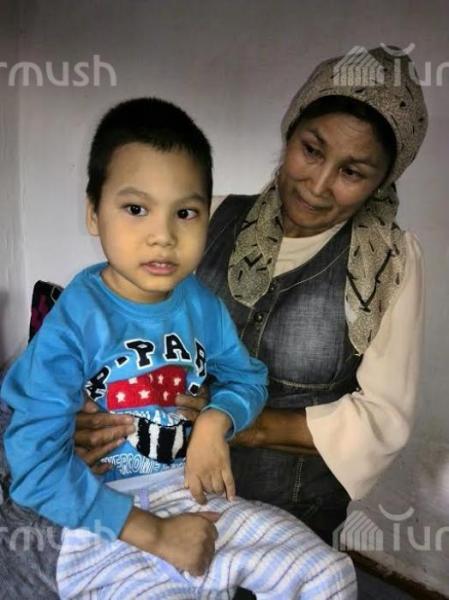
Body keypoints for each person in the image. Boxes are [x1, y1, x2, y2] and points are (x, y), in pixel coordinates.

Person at [0, 98, 356, 599]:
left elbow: (247, 377)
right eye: (136, 209)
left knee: (328, 574)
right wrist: (156, 533)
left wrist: (217, 419)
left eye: (185, 212)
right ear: (93, 213)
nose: (163, 236)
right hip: (99, 521)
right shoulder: (75, 321)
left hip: (191, 496)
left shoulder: (200, 305)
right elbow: (34, 467)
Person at [75, 46, 428, 548]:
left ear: (381, 182)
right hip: (166, 486)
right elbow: (122, 329)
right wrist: (88, 413)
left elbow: (382, 419)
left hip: (291, 509)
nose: (318, 185)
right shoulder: (208, 218)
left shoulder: (390, 263)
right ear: (290, 132)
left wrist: (241, 424)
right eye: (311, 150)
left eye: (352, 172)